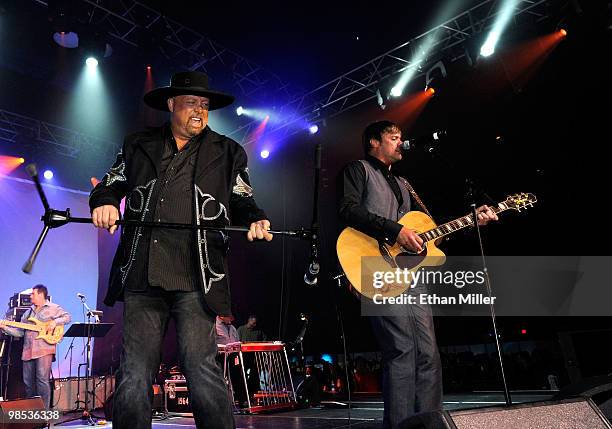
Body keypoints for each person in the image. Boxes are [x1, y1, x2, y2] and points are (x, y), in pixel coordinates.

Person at [89, 71, 272, 429]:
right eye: (192, 103)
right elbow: (110, 184)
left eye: (205, 105)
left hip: (197, 276)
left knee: (201, 368)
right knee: (135, 371)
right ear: (172, 104)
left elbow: (242, 198)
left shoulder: (227, 151)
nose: (200, 111)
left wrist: (257, 218)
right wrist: (106, 202)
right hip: (143, 273)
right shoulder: (138, 144)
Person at [337, 120, 497, 428]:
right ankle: (399, 425)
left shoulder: (403, 183)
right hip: (374, 265)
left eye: (401, 137)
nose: (401, 142)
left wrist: (472, 220)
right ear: (373, 141)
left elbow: (428, 235)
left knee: (428, 351)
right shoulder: (358, 170)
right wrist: (395, 230)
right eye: (393, 137)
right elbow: (347, 210)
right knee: (401, 349)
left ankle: (429, 423)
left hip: (410, 274)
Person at [0, 285, 71, 409]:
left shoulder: (54, 308)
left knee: (42, 381)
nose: (30, 296)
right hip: (28, 351)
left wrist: (54, 322)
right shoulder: (27, 313)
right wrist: (5, 327)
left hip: (44, 349)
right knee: (28, 383)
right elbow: (20, 332)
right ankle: (33, 415)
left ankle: (44, 414)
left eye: (33, 294)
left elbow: (67, 317)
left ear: (41, 294)